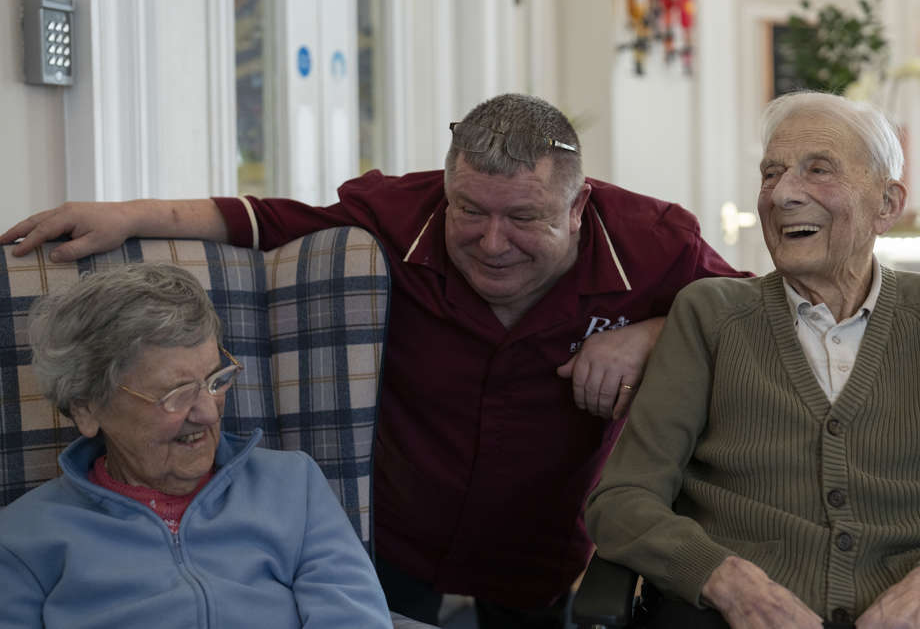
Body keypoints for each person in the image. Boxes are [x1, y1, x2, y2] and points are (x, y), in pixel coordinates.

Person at [1, 93, 750, 627]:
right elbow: (268, 221)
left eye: (524, 217)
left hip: (543, 541)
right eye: (469, 211)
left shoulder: (653, 240)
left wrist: (658, 333)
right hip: (398, 531)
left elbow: (752, 317)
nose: (492, 243)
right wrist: (127, 215)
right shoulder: (401, 212)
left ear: (579, 206)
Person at [584, 91, 920, 629]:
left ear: (887, 204)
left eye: (818, 170)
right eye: (770, 174)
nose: (782, 194)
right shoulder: (710, 314)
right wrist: (725, 580)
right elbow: (623, 500)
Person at [0, 263, 393, 629]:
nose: (207, 412)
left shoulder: (293, 486)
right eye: (176, 393)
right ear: (86, 407)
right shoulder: (22, 538)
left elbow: (355, 617)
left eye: (215, 381)